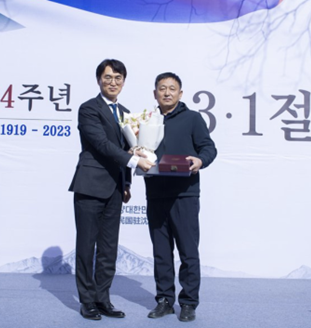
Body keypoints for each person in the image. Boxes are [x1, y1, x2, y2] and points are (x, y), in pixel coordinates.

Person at [69, 59, 154, 320]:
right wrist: (135, 161)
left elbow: (128, 149)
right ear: (99, 80)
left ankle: (103, 299)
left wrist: (127, 182)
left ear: (124, 82)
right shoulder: (88, 109)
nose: (113, 82)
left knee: (109, 249)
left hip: (116, 189)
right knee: (86, 247)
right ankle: (87, 302)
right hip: (90, 186)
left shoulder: (127, 114)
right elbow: (102, 145)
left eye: (118, 78)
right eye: (108, 77)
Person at [144, 72, 217, 322]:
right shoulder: (146, 120)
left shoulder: (193, 118)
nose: (166, 93)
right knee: (161, 252)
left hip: (185, 194)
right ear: (155, 93)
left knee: (188, 252)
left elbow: (209, 147)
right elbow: (136, 150)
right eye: (162, 88)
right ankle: (164, 300)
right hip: (155, 194)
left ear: (180, 93)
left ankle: (188, 302)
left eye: (172, 88)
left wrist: (200, 160)